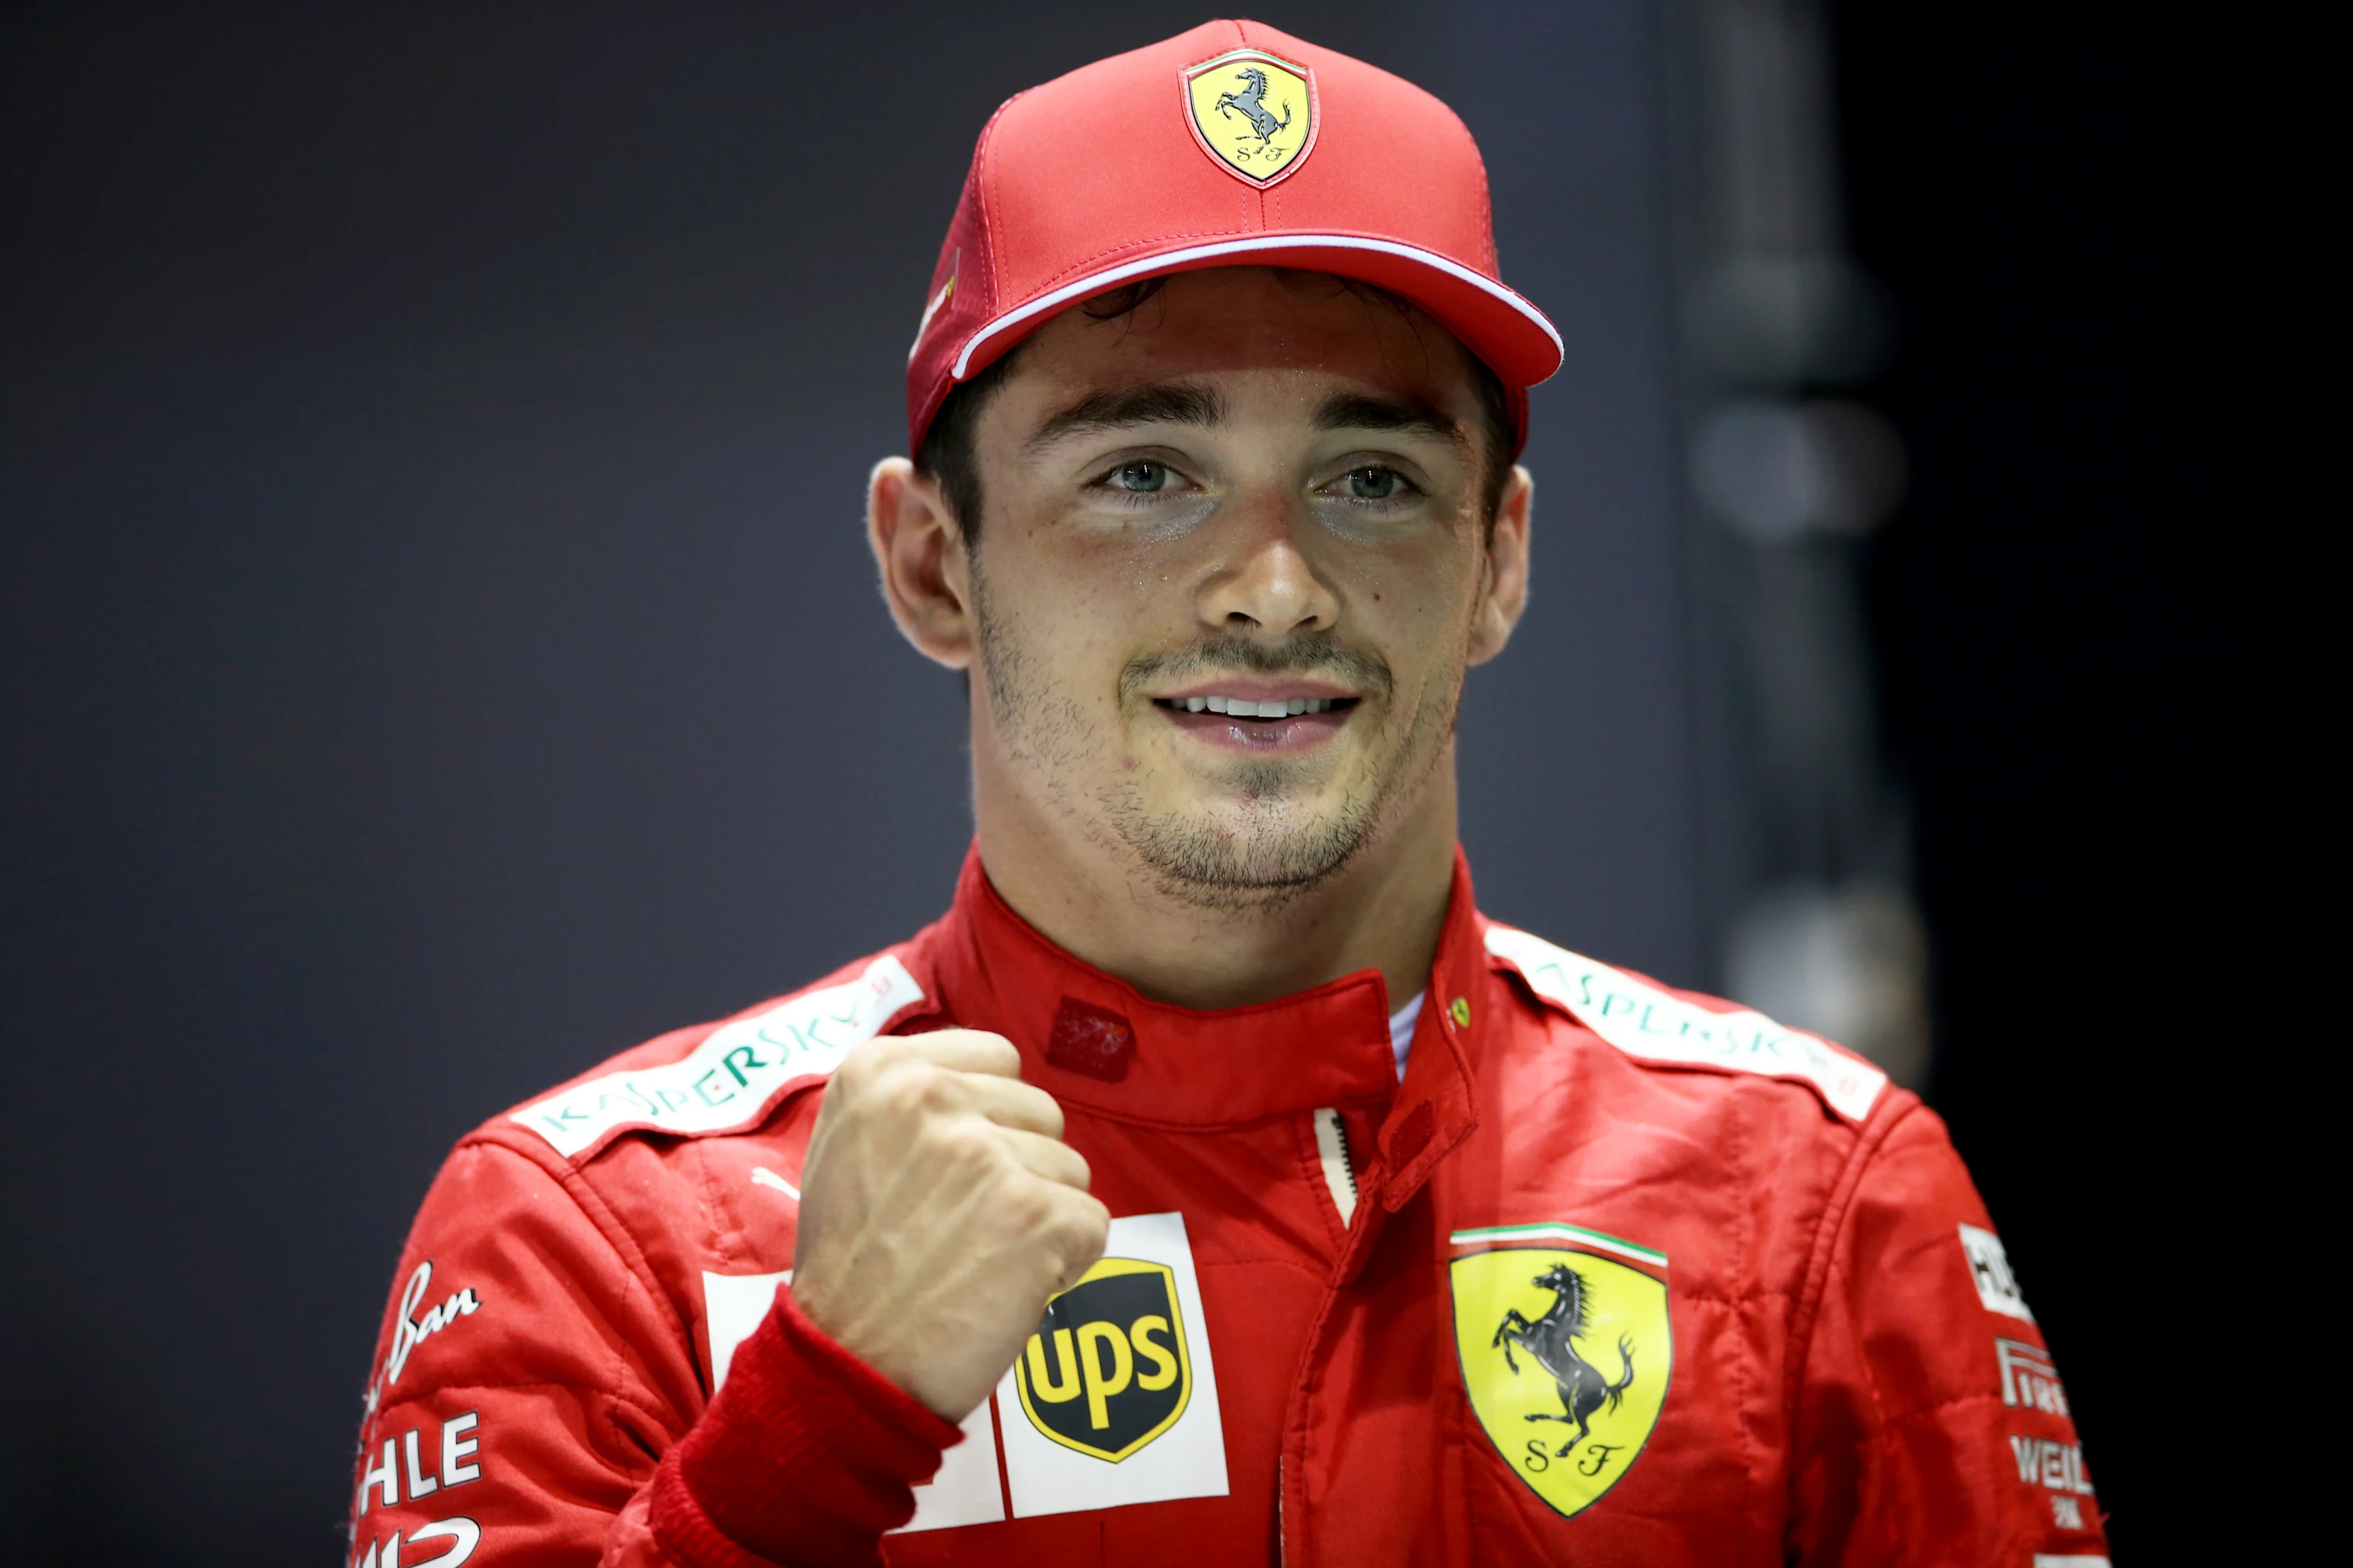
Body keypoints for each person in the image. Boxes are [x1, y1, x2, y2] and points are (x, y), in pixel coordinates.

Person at [345, 19, 2107, 1568]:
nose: (1271, 585)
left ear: (1497, 562)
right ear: (932, 564)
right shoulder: (598, 1234)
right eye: (1144, 471)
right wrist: (814, 1419)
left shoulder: (1808, 1195)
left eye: (1366, 473)